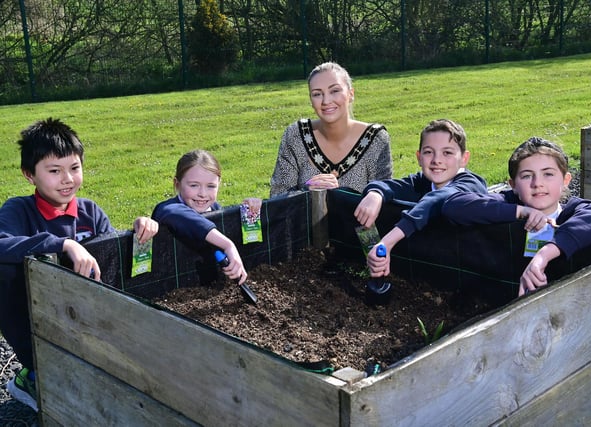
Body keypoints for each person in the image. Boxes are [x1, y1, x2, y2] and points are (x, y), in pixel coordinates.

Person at [0, 117, 159, 411]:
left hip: (84, 311)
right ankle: (34, 372)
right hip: (37, 310)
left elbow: (110, 258)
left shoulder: (90, 212)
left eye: (74, 168)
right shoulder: (18, 209)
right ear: (29, 175)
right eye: (54, 171)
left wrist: (136, 230)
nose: (67, 179)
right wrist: (63, 243)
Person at [441, 136, 591, 297]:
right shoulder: (507, 202)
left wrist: (543, 256)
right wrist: (521, 212)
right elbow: (454, 205)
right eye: (526, 176)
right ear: (513, 185)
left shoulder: (574, 210)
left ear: (565, 180)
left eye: (548, 174)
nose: (537, 183)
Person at [355, 118, 487, 277]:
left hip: (473, 271)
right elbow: (392, 185)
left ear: (464, 159)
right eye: (428, 152)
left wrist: (387, 242)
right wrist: (375, 194)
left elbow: (436, 200)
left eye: (447, 153)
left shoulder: (471, 184)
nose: (437, 160)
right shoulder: (422, 181)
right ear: (419, 157)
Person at [270, 62, 392, 197]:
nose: (326, 101)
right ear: (311, 100)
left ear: (351, 94)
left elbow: (383, 200)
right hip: (304, 219)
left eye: (335, 91)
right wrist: (307, 192)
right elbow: (277, 198)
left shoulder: (375, 139)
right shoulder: (295, 135)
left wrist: (341, 194)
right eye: (317, 94)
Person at [152, 149, 256, 285]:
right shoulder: (167, 209)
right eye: (194, 185)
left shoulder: (215, 209)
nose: (202, 193)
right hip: (169, 283)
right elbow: (184, 217)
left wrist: (252, 208)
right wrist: (228, 245)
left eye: (211, 186)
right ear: (177, 184)